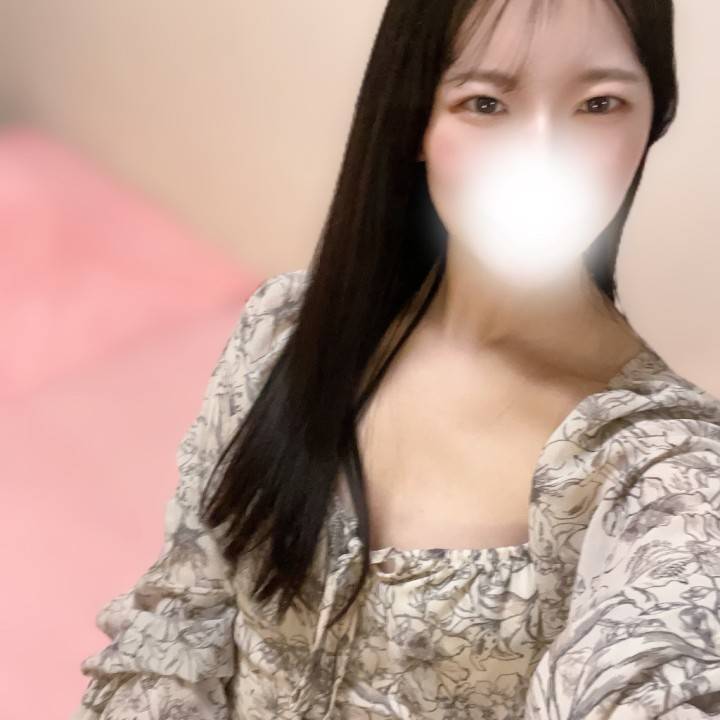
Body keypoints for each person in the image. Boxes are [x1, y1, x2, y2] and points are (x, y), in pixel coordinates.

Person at [72, 1, 720, 718]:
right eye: (486, 103)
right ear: (416, 120)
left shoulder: (667, 467)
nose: (542, 156)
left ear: (653, 119)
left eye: (599, 104)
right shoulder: (285, 330)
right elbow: (176, 627)